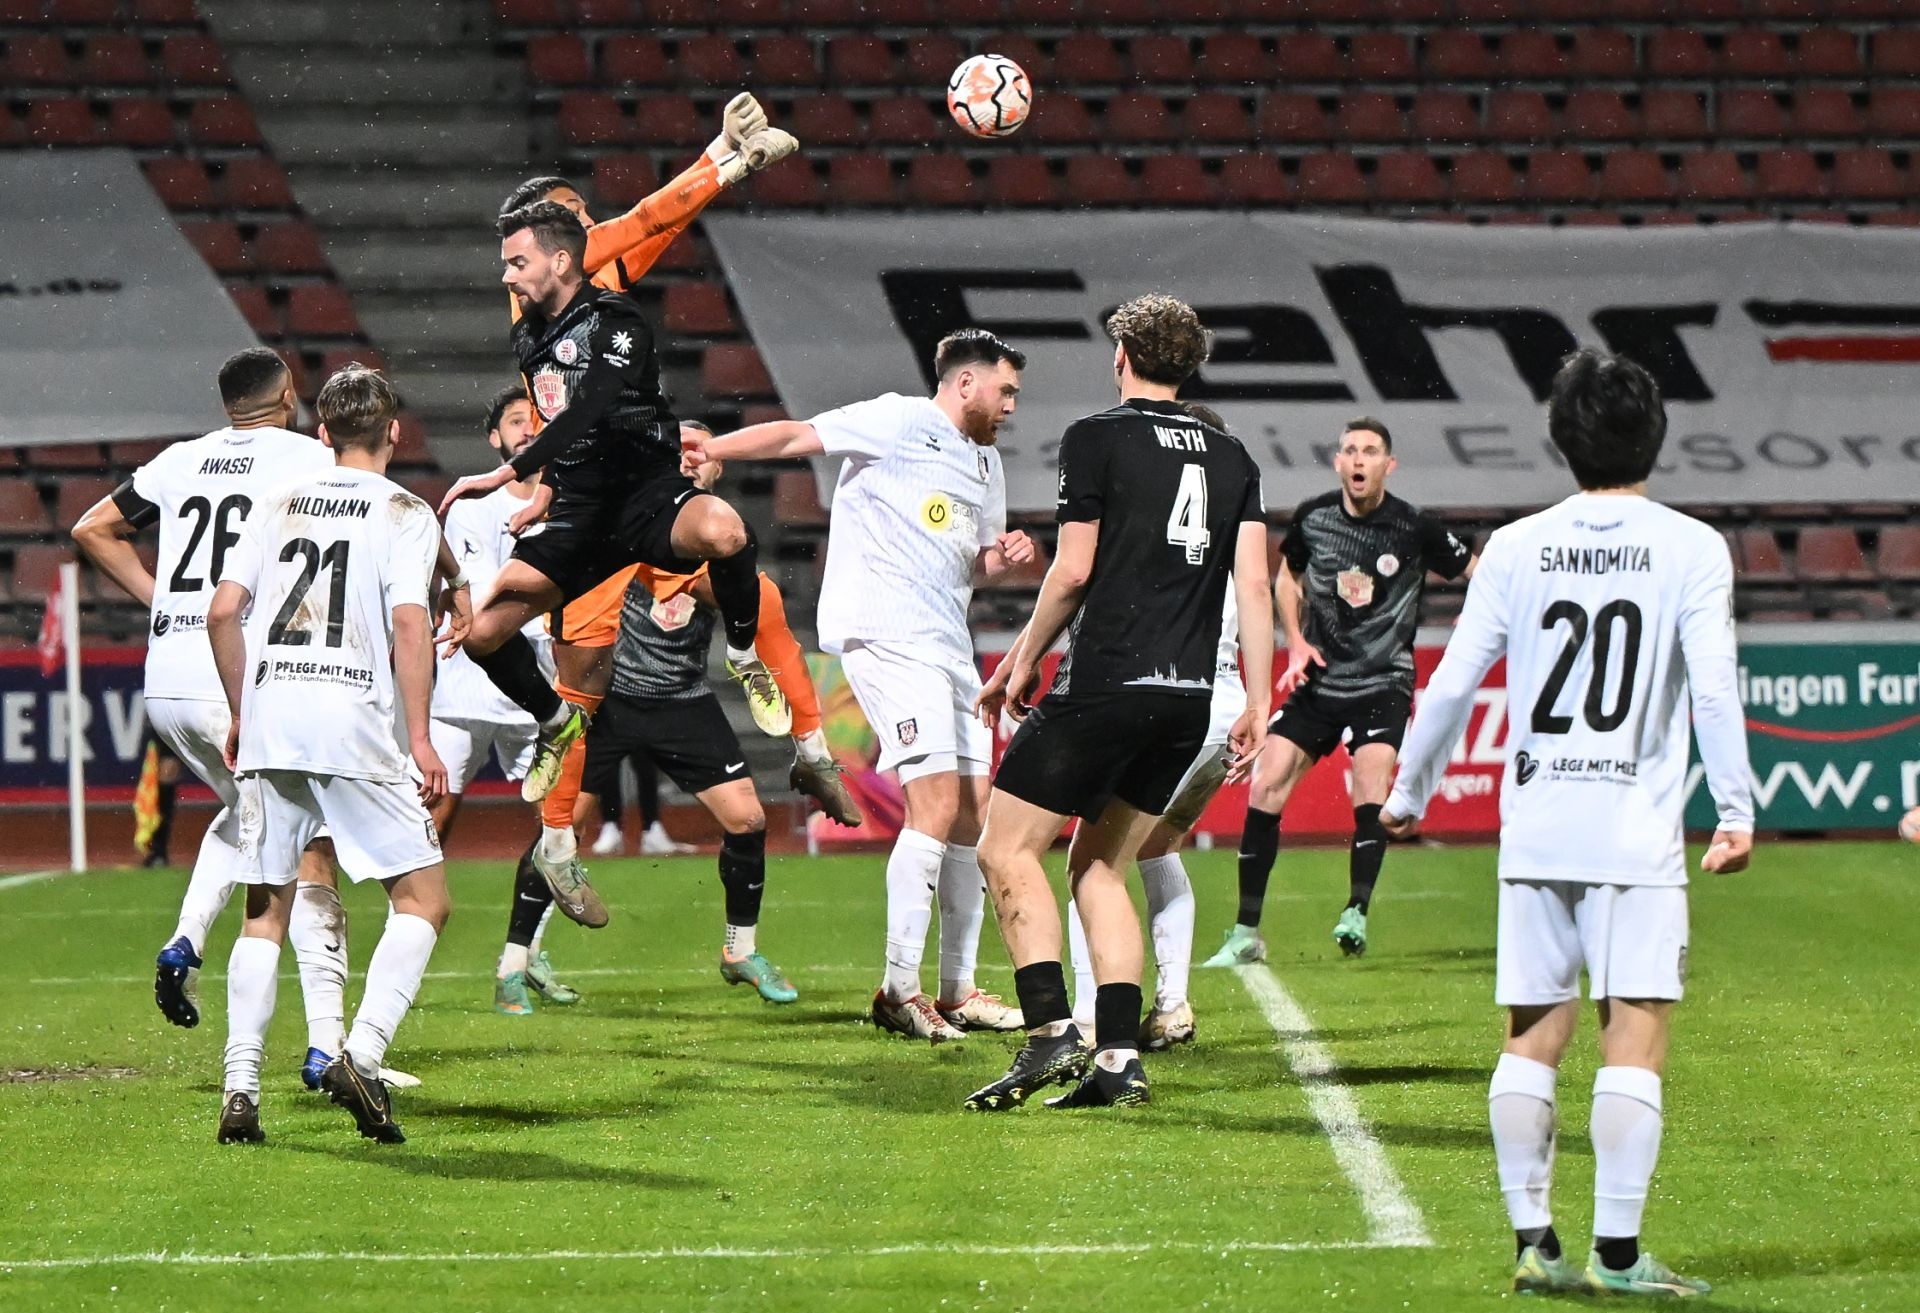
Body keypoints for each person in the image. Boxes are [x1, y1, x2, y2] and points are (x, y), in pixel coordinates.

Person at [1381, 348, 1754, 1297]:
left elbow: (1455, 678)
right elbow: (1712, 687)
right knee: (1633, 1037)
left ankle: (1533, 1243)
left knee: (1531, 1034)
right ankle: (1618, 1256)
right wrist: (1736, 805)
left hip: (1537, 827)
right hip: (1634, 836)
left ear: (1560, 436)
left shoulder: (1516, 545)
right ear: (1655, 435)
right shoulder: (1691, 546)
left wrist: (1410, 790)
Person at [71, 349, 418, 1088]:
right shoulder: (305, 456)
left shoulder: (179, 459)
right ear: (290, 396)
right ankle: (329, 1048)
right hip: (241, 673)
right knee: (305, 849)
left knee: (257, 823)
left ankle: (190, 942)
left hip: (166, 679)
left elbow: (92, 528)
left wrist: (166, 601)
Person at [439, 202, 787, 922]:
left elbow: (592, 406)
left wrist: (509, 475)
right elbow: (564, 429)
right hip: (584, 512)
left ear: (562, 261)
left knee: (725, 530)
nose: (508, 276)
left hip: (648, 496)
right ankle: (552, 719)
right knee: (482, 633)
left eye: (519, 262)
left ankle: (745, 653)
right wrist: (549, 494)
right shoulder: (529, 330)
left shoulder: (618, 320)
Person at [965, 296, 1272, 1111]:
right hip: (1188, 698)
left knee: (1003, 847)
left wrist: (1018, 662)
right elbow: (1256, 587)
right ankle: (1119, 1057)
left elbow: (1071, 571)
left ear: (1124, 353)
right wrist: (1260, 701)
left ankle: (1049, 1034)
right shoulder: (1235, 455)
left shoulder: (1097, 437)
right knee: (1100, 865)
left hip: (1108, 681)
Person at [683, 329, 1034, 1041]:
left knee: (973, 810)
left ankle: (958, 988)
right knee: (934, 804)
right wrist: (714, 449)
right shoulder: (900, 419)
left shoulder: (986, 464)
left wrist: (1004, 558)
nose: (1011, 408)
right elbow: (798, 436)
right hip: (887, 634)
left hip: (948, 645)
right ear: (966, 383)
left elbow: (972, 562)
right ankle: (900, 989)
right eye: (1006, 392)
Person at [205, 364, 456, 1146]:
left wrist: (245, 709)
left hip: (275, 714)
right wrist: (419, 736)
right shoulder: (406, 510)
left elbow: (223, 612)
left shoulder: (278, 500)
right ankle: (364, 1054)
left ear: (321, 434)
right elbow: (412, 626)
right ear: (395, 433)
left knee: (266, 905)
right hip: (351, 719)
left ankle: (240, 1089)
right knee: (423, 901)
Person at [1203, 416, 1474, 966]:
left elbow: (1478, 570)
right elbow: (1286, 577)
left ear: (1387, 465)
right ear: (1338, 461)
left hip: (1383, 682)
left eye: (1370, 451)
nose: (1358, 459)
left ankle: (1356, 911)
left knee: (1370, 790)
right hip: (1320, 680)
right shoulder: (1316, 518)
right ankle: (1245, 932)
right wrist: (1296, 641)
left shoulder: (1414, 527)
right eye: (1350, 449)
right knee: (1266, 784)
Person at [498, 563, 798, 1014]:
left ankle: (739, 950)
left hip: (684, 704)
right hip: (612, 701)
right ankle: (514, 966)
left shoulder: (721, 542)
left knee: (749, 820)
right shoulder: (637, 529)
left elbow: (747, 603)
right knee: (561, 830)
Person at [1065, 402, 1245, 1052]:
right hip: (1225, 710)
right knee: (1156, 848)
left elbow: (1090, 589)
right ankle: (1170, 1007)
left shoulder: (1152, 529)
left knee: (1090, 861)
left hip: (1168, 705)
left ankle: (1086, 1017)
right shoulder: (1232, 525)